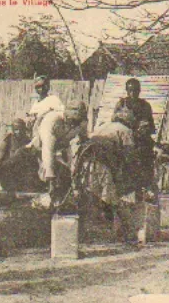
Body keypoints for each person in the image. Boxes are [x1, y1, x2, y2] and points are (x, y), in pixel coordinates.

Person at [82, 106, 138, 243]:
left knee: (93, 195)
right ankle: (118, 232)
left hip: (86, 162)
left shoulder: (103, 126)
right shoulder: (125, 131)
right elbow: (129, 156)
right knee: (110, 198)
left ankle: (94, 230)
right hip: (103, 164)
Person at [30, 100, 88, 204]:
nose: (74, 125)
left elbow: (84, 142)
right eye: (73, 121)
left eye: (77, 122)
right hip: (39, 151)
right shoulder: (52, 120)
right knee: (44, 180)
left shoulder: (80, 122)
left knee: (66, 176)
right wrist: (50, 177)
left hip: (60, 151)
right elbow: (47, 149)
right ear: (67, 116)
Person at [113, 78, 156, 201]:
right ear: (127, 91)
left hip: (140, 142)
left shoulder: (145, 106)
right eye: (130, 90)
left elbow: (150, 126)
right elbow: (114, 121)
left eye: (135, 90)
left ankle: (144, 196)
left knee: (144, 172)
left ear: (139, 91)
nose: (133, 93)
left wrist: (141, 130)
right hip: (124, 141)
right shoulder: (121, 104)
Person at [0, 118, 43, 193]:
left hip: (23, 171)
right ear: (13, 130)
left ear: (24, 130)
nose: (18, 132)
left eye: (20, 129)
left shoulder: (28, 141)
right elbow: (0, 159)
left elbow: (34, 160)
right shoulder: (8, 140)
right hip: (10, 169)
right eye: (16, 129)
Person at [25, 75, 65, 150]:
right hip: (34, 131)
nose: (41, 89)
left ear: (47, 86)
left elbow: (61, 114)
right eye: (38, 87)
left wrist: (46, 114)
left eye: (43, 86)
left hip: (48, 131)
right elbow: (31, 117)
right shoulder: (36, 103)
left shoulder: (53, 99)